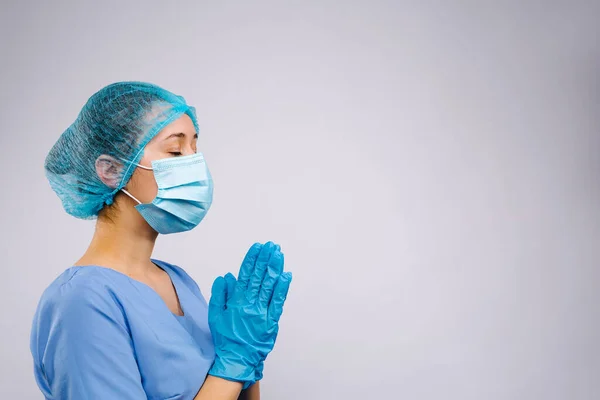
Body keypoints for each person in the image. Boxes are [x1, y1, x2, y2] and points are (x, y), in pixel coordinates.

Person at [29, 81, 292, 400]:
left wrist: (248, 360)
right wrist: (234, 362)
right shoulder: (82, 301)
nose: (194, 165)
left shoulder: (179, 282)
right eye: (175, 150)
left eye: (195, 149)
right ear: (110, 171)